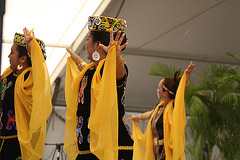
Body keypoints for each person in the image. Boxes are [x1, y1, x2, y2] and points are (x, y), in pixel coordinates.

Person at [64, 16, 133, 160]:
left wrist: (115, 57)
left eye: (88, 40)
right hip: (86, 150)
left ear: (97, 45)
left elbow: (119, 71)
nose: (86, 45)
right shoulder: (89, 71)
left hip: (112, 149)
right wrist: (76, 59)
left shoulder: (111, 68)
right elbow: (86, 68)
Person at [0, 28, 52, 160]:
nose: (8, 56)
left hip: (18, 145)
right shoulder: (7, 75)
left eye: (12, 52)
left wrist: (32, 49)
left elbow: (39, 73)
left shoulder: (30, 80)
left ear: (23, 59)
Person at [128, 61, 195, 160]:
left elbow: (181, 92)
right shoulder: (159, 108)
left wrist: (187, 75)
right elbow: (150, 114)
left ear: (165, 92)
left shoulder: (173, 106)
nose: (157, 90)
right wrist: (136, 117)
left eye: (159, 87)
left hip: (167, 150)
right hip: (156, 151)